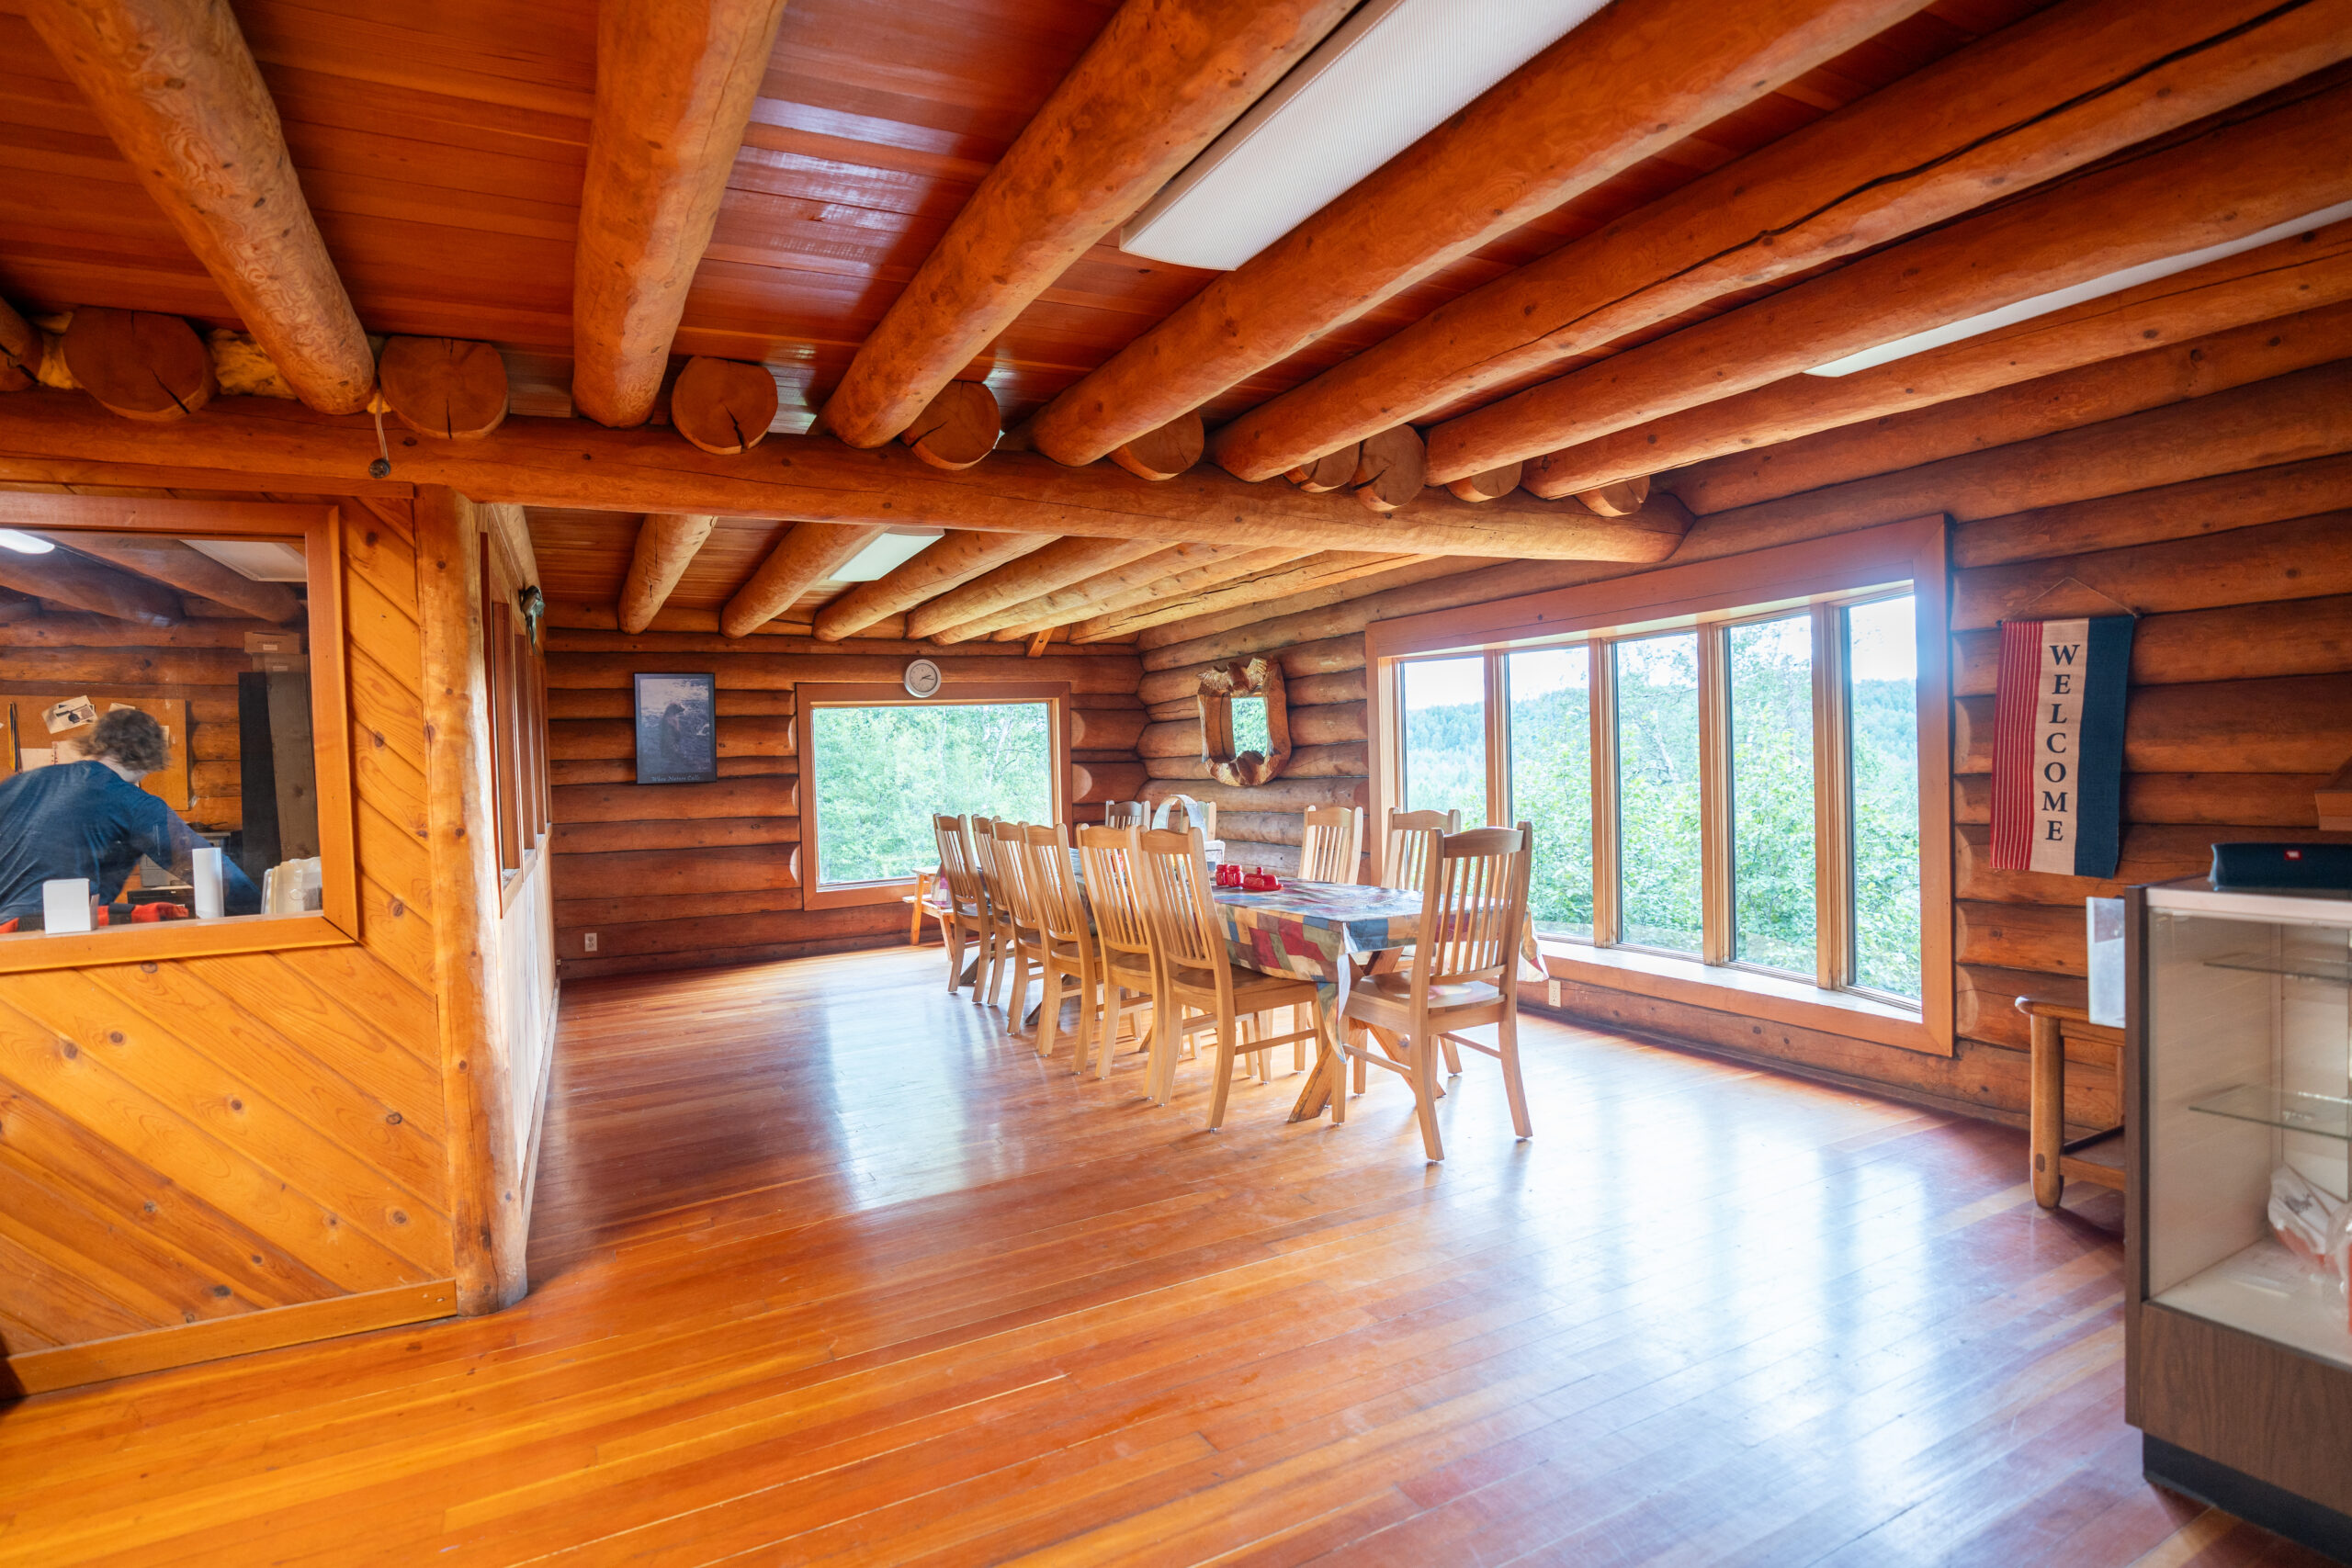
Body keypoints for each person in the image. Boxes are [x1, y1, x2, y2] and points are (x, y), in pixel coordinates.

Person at [0, 708, 259, 927]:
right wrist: (262, 913)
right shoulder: (131, 801)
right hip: (56, 933)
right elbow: (208, 868)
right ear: (151, 755)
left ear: (97, 741)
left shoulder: (22, 784)